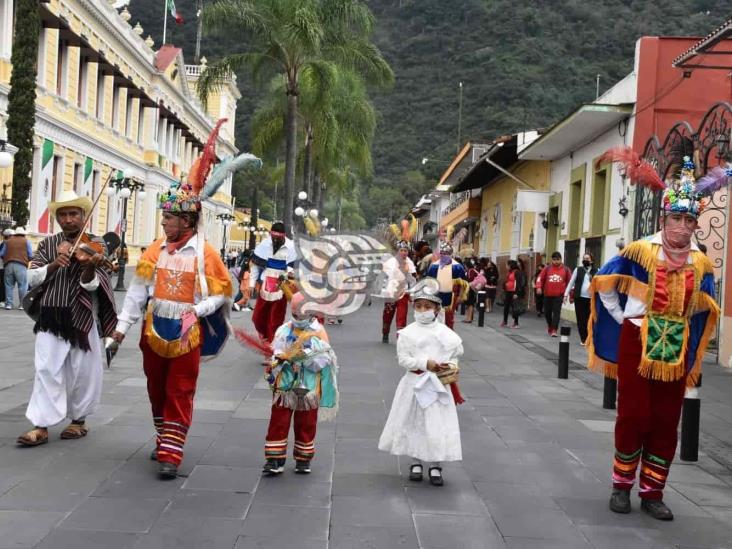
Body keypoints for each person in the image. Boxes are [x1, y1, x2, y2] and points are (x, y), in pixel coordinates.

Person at [589, 152, 721, 521]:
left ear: (696, 224)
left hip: (675, 345)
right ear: (665, 218)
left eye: (689, 219)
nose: (682, 225)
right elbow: (604, 285)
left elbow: (705, 303)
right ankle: (621, 486)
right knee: (634, 415)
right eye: (676, 218)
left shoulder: (700, 262)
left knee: (666, 419)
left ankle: (653, 492)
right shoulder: (639, 251)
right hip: (639, 340)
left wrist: (684, 317)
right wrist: (626, 318)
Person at [112, 176, 233, 480]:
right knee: (156, 388)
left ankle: (171, 452)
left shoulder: (206, 253)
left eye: (168, 217)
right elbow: (138, 292)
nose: (164, 223)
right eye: (164, 217)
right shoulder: (155, 250)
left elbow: (221, 293)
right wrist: (120, 329)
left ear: (186, 220)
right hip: (153, 329)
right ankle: (165, 436)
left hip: (187, 333)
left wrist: (198, 309)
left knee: (180, 390)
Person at [16, 191, 117, 447]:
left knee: (83, 370)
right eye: (63, 214)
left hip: (82, 314)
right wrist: (53, 264)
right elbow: (32, 277)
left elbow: (94, 286)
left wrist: (91, 265)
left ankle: (78, 421)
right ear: (57, 218)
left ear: (83, 216)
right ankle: (41, 425)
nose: (69, 219)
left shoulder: (96, 244)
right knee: (45, 368)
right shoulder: (49, 244)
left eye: (74, 214)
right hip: (51, 313)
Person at [378, 278, 464, 486]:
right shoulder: (407, 334)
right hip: (415, 383)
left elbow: (455, 355)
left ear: (436, 309)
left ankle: (435, 463)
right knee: (414, 421)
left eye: (427, 307)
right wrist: (426, 363)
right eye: (419, 306)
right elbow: (404, 360)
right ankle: (416, 461)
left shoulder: (446, 334)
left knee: (436, 423)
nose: (423, 310)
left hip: (437, 385)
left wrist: (449, 366)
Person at [262, 292, 338, 475]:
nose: (298, 319)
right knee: (278, 420)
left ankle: (303, 459)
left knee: (307, 422)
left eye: (302, 316)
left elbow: (324, 360)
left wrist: (302, 359)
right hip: (285, 384)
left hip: (308, 384)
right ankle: (275, 459)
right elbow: (274, 351)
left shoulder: (318, 332)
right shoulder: (284, 329)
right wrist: (279, 359)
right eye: (295, 315)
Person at [250, 222, 298, 348]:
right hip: (265, 284)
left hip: (281, 287)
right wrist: (251, 284)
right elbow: (255, 265)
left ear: (284, 236)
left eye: (278, 238)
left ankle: (271, 348)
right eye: (274, 237)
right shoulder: (264, 244)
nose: (275, 240)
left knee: (275, 320)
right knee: (257, 317)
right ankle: (264, 337)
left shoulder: (291, 247)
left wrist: (289, 276)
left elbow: (293, 269)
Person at [424, 241, 467, 329]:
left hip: (451, 296)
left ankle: (448, 337)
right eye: (442, 253)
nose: (444, 255)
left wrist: (461, 296)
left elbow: (463, 283)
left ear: (451, 254)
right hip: (437, 295)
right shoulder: (434, 266)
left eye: (447, 253)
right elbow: (429, 282)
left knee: (449, 318)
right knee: (435, 317)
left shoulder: (457, 267)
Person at [382, 240, 416, 343]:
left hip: (403, 293)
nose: (404, 252)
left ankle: (400, 338)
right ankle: (385, 332)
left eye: (405, 250)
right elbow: (384, 277)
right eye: (402, 250)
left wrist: (413, 293)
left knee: (402, 316)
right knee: (388, 314)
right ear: (398, 251)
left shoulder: (410, 263)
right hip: (391, 292)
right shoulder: (391, 262)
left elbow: (413, 279)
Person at [536, 252, 572, 337]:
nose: (556, 261)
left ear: (561, 259)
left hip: (559, 295)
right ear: (552, 260)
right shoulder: (547, 268)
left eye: (558, 259)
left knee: (556, 312)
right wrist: (538, 287)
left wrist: (570, 295)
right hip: (547, 294)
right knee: (547, 313)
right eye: (554, 259)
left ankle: (554, 330)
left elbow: (570, 283)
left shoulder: (566, 270)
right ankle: (550, 325)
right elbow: (540, 278)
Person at [565, 252, 597, 345]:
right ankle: (583, 339)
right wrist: (566, 294)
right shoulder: (578, 270)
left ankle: (590, 337)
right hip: (579, 298)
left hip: (591, 299)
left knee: (590, 319)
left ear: (592, 260)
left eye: (588, 258)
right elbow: (571, 282)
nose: (585, 260)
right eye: (584, 258)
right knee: (581, 319)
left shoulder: (597, 270)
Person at [1, 226, 33, 310]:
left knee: (8, 285)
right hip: (21, 265)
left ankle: (9, 304)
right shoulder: (27, 241)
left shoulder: (8, 241)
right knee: (22, 285)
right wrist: (27, 260)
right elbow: (30, 255)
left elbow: (2, 254)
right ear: (23, 234)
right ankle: (22, 305)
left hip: (8, 265)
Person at [500, 260, 525, 328]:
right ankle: (505, 321)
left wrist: (517, 293)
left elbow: (520, 284)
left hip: (514, 292)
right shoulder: (509, 272)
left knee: (515, 308)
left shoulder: (517, 272)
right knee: (506, 307)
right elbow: (507, 281)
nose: (506, 266)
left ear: (510, 265)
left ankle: (516, 323)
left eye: (507, 265)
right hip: (508, 292)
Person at [0, 228, 12, 307]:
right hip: (2, 266)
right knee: (3, 284)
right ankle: (3, 300)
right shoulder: (5, 243)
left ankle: (3, 300)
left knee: (3, 283)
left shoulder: (3, 243)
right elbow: (2, 254)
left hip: (2, 266)